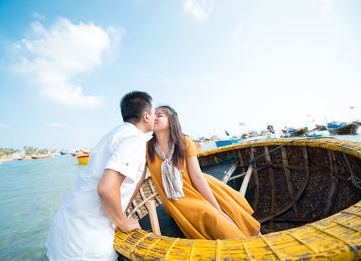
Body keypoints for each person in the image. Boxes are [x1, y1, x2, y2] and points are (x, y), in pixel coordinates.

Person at [46, 91, 155, 260]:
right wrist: (122, 222)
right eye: (155, 113)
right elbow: (106, 189)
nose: (156, 117)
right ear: (146, 116)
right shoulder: (135, 140)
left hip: (64, 230)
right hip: (86, 242)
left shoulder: (114, 134)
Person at [146, 105, 260, 240]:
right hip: (178, 199)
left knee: (231, 208)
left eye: (159, 115)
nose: (154, 118)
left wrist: (218, 209)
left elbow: (197, 177)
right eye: (153, 115)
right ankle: (243, 243)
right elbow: (136, 179)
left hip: (200, 185)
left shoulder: (184, 141)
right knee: (216, 219)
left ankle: (258, 237)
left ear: (172, 121)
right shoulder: (147, 148)